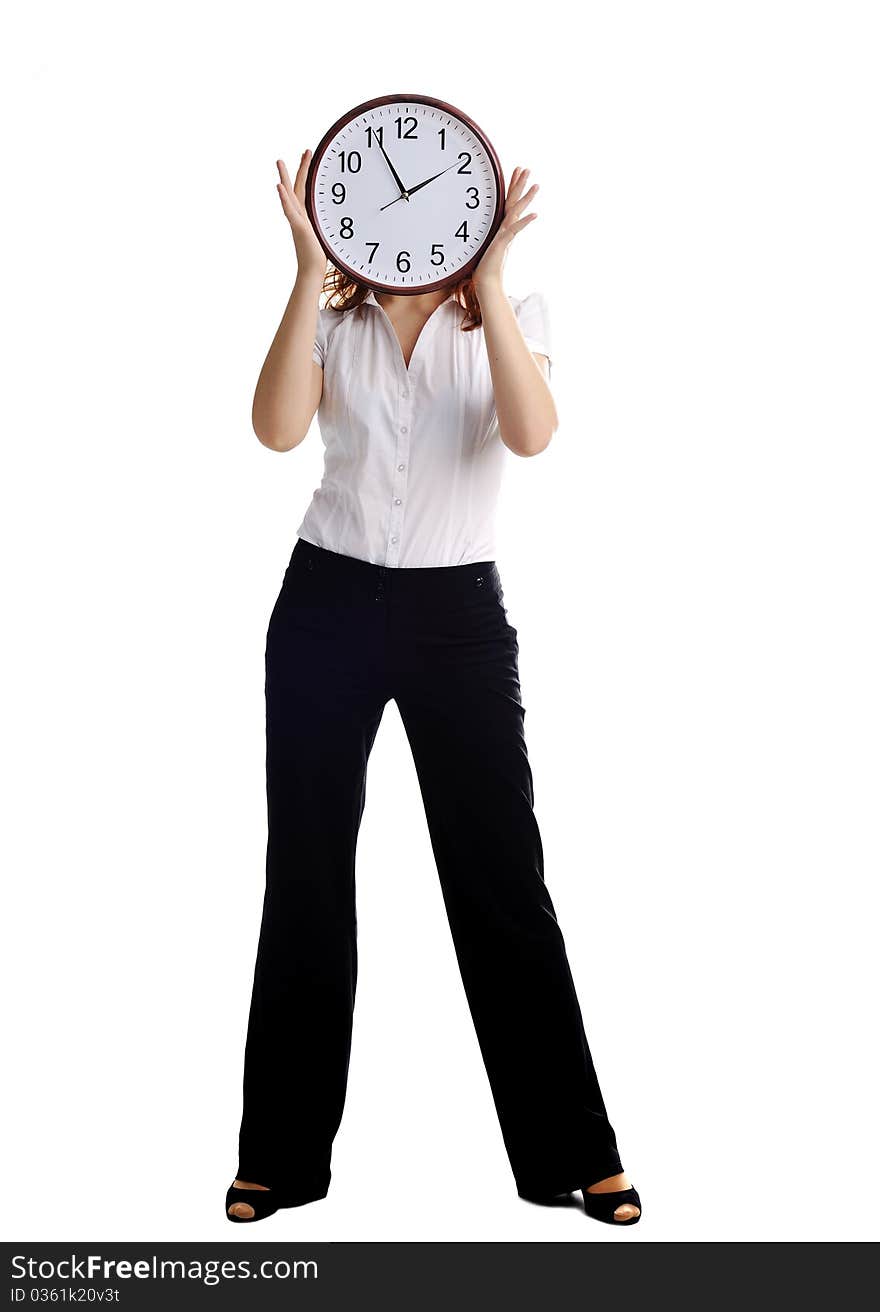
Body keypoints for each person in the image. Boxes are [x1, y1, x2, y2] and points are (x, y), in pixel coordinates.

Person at [226, 148, 641, 1228]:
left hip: (457, 618)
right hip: (324, 606)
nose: (399, 214)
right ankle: (278, 1156)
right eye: (372, 193)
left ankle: (573, 1152)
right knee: (307, 874)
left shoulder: (513, 308)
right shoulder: (332, 317)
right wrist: (301, 271)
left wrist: (492, 285)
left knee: (502, 877)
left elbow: (531, 434)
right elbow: (274, 430)